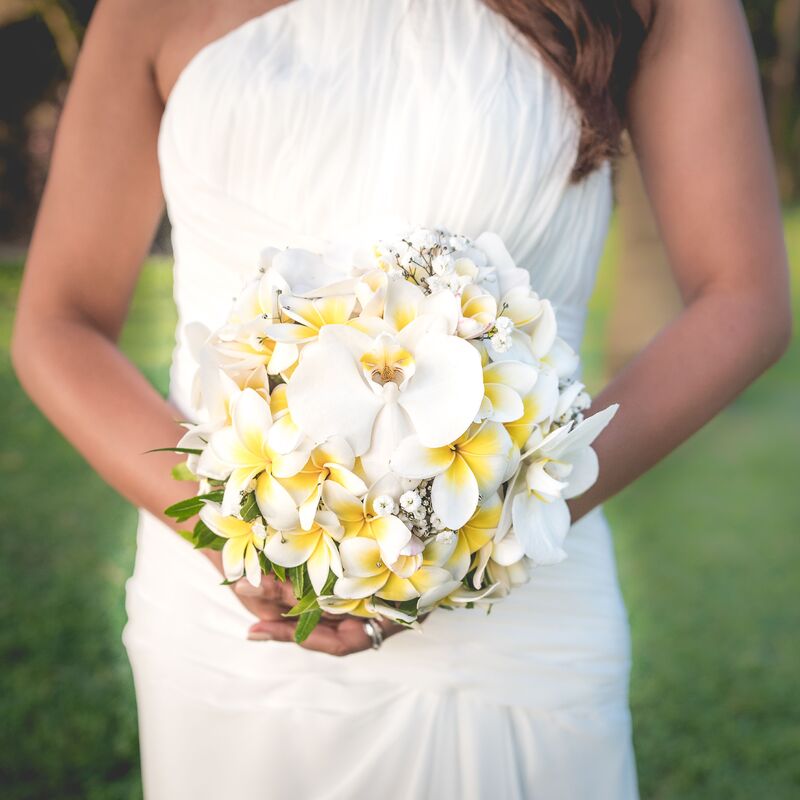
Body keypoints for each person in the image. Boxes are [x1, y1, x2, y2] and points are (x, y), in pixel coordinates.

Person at [11, 0, 791, 797]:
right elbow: (59, 321)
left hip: (514, 618)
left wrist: (492, 530)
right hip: (231, 623)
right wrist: (234, 533)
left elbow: (743, 298)